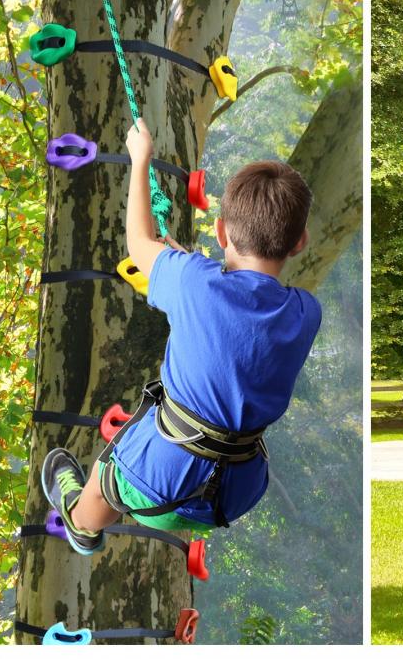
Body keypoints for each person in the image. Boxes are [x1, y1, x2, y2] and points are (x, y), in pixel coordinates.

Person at [40, 119, 321, 552]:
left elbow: (138, 242)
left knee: (101, 479)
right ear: (299, 242)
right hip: (236, 493)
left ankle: (82, 522)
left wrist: (140, 161)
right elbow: (239, 319)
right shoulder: (306, 312)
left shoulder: (194, 282)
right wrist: (189, 268)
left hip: (160, 482)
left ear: (222, 231)